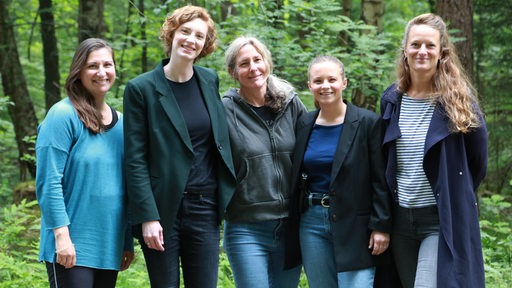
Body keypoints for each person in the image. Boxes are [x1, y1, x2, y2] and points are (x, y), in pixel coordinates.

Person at [123, 5, 236, 288]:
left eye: (199, 36)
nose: (191, 40)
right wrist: (148, 216)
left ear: (204, 44)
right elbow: (135, 159)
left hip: (205, 206)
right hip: (163, 210)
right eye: (185, 31)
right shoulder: (141, 89)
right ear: (172, 34)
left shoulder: (209, 81)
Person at [380, 13, 488, 288]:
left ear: (442, 53)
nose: (422, 52)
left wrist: (453, 190)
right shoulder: (392, 100)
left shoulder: (459, 103)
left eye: (430, 45)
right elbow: (386, 160)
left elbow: (477, 162)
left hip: (440, 219)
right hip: (401, 220)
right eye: (415, 44)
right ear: (405, 50)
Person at [284, 56, 392, 288]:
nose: (325, 86)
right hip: (311, 222)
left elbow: (380, 179)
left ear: (344, 82)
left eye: (332, 79)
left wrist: (381, 225)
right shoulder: (304, 123)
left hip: (356, 223)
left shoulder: (367, 123)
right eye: (318, 80)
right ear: (310, 85)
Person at [36, 38, 134, 288]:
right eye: (92, 66)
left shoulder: (123, 123)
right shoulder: (62, 115)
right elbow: (49, 182)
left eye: (107, 64)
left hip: (108, 245)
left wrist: (126, 241)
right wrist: (61, 237)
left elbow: (124, 187)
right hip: (71, 246)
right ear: (78, 72)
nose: (101, 72)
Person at [222, 36, 307, 288]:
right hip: (246, 226)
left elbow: (311, 152)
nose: (253, 68)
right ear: (233, 72)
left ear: (267, 62)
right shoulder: (223, 110)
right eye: (244, 63)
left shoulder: (291, 103)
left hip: (290, 225)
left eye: (257, 60)